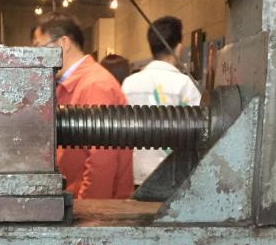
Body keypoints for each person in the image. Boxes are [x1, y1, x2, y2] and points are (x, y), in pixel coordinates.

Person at [31, 13, 132, 200]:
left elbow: (101, 162)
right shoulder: (69, 83)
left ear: (63, 43)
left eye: (40, 48)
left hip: (92, 206)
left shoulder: (95, 85)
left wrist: (88, 211)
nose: (37, 58)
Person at [122, 15, 202, 186]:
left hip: (134, 176)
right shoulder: (185, 84)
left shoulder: (129, 83)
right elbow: (200, 134)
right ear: (178, 48)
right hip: (172, 179)